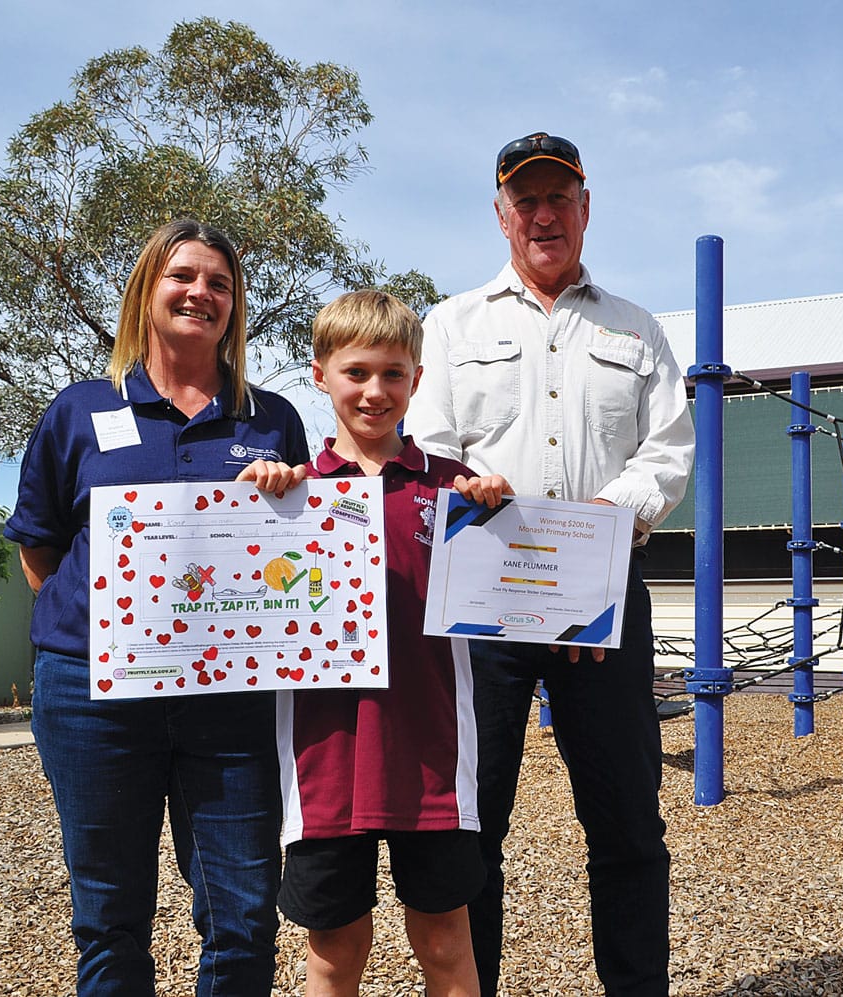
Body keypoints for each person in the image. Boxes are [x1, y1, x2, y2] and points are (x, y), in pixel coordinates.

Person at [404, 133, 696, 996]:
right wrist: (470, 483)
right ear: (501, 216)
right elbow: (428, 447)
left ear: (586, 207)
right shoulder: (452, 325)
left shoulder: (636, 328)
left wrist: (612, 520)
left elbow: (667, 453)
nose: (543, 214)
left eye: (558, 197)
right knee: (471, 826)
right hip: (482, 604)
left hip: (600, 599)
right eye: (524, 200)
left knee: (628, 825)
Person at [4, 218, 308, 996]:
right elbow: (40, 549)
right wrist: (111, 628)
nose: (200, 292)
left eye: (219, 282)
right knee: (109, 921)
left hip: (231, 700)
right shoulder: (77, 411)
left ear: (234, 307)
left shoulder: (271, 420)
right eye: (183, 276)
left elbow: (305, 551)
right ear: (148, 290)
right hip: (94, 696)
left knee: (243, 918)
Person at [274, 289, 511, 997]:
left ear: (416, 378)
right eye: (356, 372)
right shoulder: (287, 496)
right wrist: (257, 500)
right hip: (324, 761)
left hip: (433, 756)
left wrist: (499, 508)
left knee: (444, 940)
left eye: (393, 373)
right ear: (320, 374)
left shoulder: (456, 494)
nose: (374, 391)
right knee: (336, 949)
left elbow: (525, 589)